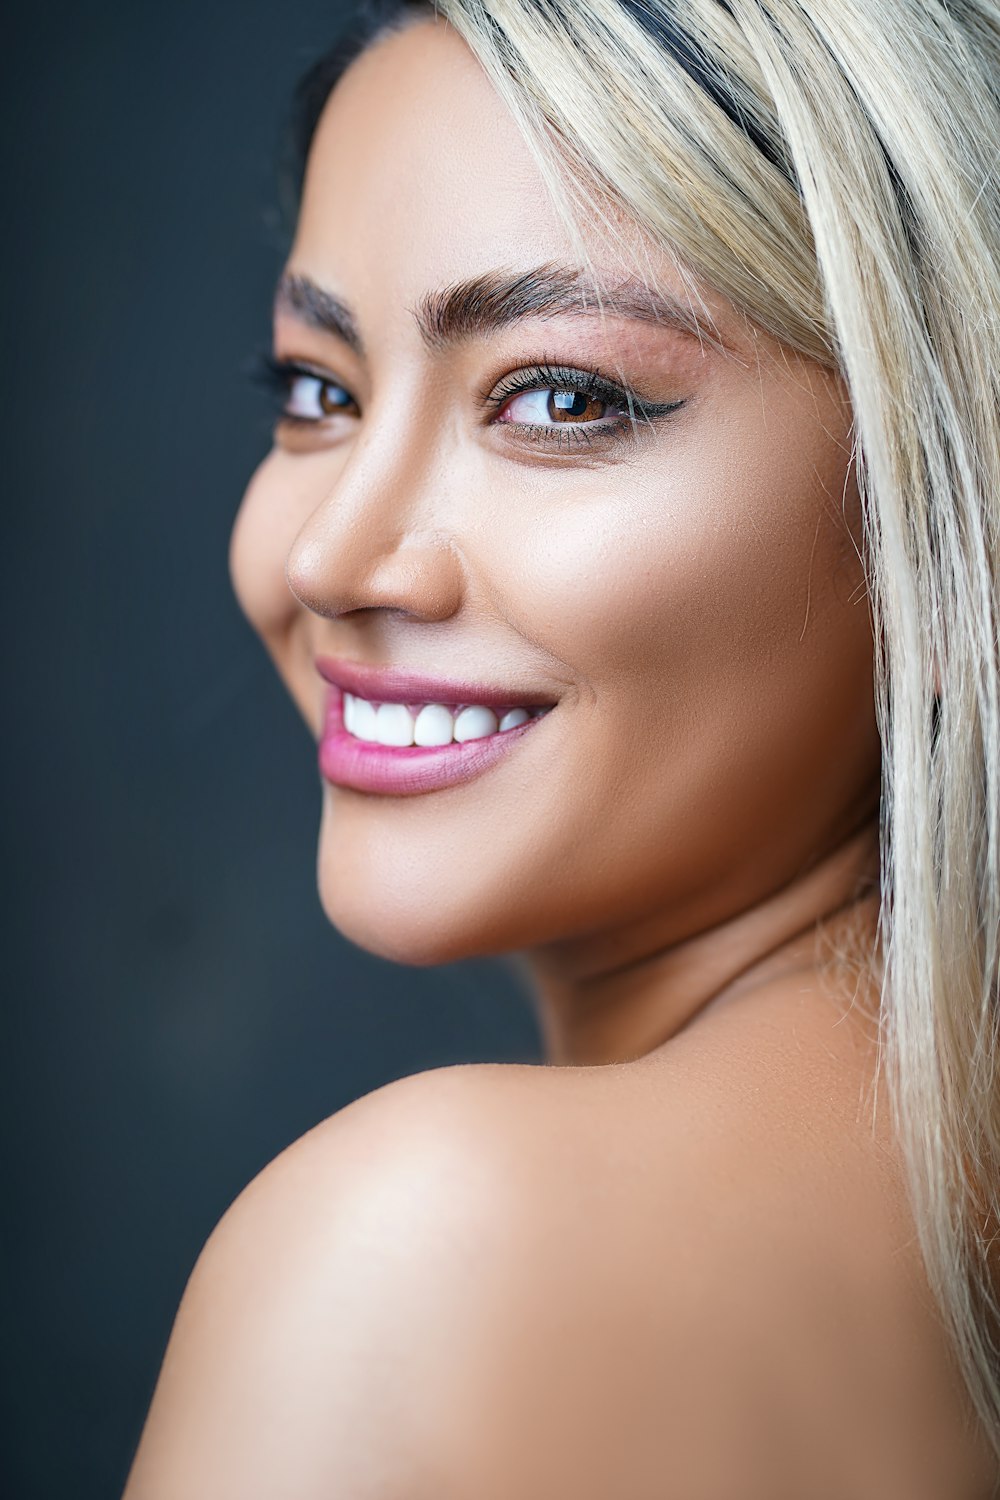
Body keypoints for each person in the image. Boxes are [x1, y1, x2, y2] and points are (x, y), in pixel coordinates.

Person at [122, 1, 1000, 1494]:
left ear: (947, 515)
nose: (333, 554)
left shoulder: (412, 1265)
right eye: (318, 391)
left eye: (561, 397)